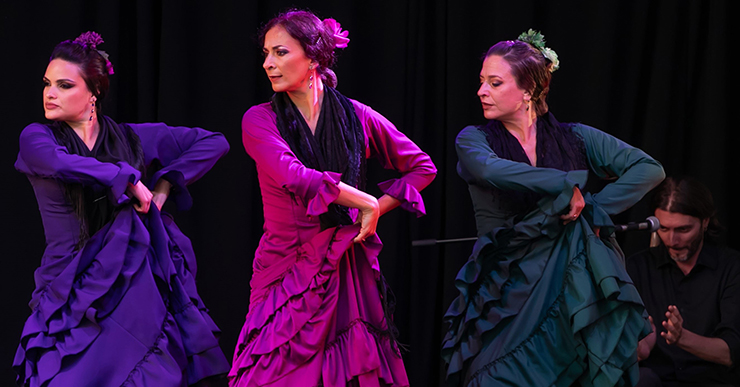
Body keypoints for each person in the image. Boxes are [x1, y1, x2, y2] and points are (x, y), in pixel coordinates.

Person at [441, 30, 665, 386]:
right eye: (482, 81)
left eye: (495, 83)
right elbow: (488, 169)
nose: (481, 91)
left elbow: (649, 169)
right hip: (507, 290)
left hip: (571, 283)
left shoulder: (575, 137)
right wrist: (565, 186)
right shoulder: (475, 140)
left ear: (527, 91)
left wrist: (592, 209)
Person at [228, 10, 436, 387]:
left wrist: (373, 211)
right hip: (286, 267)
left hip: (345, 264)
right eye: (265, 54)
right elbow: (296, 177)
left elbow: (422, 167)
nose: (268, 64)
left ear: (313, 57)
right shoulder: (259, 120)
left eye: (279, 52)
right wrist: (366, 202)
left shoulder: (358, 116)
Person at [13, 32, 231, 386]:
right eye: (47, 83)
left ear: (94, 93)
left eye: (64, 85)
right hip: (68, 283)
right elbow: (61, 164)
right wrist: (126, 177)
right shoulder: (38, 138)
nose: (50, 93)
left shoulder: (133, 138)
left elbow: (213, 142)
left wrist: (165, 182)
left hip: (131, 286)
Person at [627, 176, 740, 387]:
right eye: (664, 229)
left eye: (683, 230)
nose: (672, 241)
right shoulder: (637, 267)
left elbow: (731, 353)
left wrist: (681, 338)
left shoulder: (732, 268)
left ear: (705, 222)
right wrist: (638, 351)